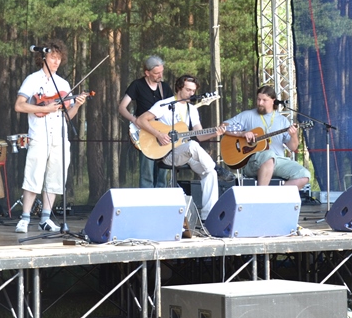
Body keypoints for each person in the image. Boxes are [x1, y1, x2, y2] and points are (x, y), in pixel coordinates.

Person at [14, 38, 87, 233]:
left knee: (55, 177)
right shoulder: (32, 79)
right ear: (43, 57)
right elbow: (19, 105)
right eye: (53, 57)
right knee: (33, 175)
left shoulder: (63, 83)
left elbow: (68, 115)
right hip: (39, 134)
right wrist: (45, 109)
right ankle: (25, 218)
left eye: (59, 58)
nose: (56, 61)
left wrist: (77, 105)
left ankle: (45, 218)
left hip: (60, 137)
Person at [135, 74, 225, 219]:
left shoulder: (192, 109)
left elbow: (200, 134)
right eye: (188, 90)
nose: (191, 93)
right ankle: (215, 166)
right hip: (167, 154)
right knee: (193, 145)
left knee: (210, 173)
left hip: (185, 152)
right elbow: (141, 120)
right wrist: (158, 134)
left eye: (193, 91)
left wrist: (216, 132)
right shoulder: (165, 104)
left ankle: (208, 216)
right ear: (179, 88)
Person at [222, 85, 311, 189]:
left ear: (273, 101)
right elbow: (223, 127)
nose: (260, 103)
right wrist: (242, 133)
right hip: (253, 162)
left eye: (264, 100)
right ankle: (262, 196)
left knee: (304, 175)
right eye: (258, 99)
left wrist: (294, 135)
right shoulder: (247, 116)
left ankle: (273, 197)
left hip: (277, 161)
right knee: (269, 155)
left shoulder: (282, 120)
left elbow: (293, 147)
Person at [118, 55, 174, 188]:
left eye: (161, 72)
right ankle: (146, 198)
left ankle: (161, 198)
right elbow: (122, 107)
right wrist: (134, 119)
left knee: (162, 173)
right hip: (145, 131)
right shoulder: (137, 85)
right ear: (147, 73)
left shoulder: (165, 87)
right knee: (147, 172)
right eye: (156, 73)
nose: (160, 75)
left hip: (162, 132)